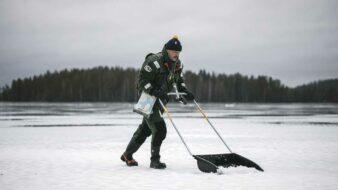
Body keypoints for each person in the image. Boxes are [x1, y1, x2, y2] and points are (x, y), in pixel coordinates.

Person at [120, 35, 195, 169]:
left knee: (145, 130)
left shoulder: (177, 64)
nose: (176, 55)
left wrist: (184, 91)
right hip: (147, 99)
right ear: (167, 50)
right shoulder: (153, 61)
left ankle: (127, 154)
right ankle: (155, 160)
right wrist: (154, 91)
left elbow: (179, 80)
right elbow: (142, 82)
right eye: (174, 52)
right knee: (160, 129)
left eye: (178, 52)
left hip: (160, 101)